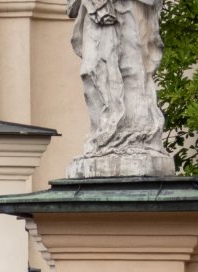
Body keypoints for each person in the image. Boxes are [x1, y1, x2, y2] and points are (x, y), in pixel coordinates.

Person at [66, 0, 173, 177]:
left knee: (131, 69)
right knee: (92, 70)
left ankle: (136, 135)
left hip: (129, 8)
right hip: (96, 11)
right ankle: (104, 134)